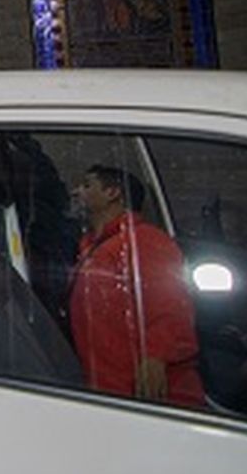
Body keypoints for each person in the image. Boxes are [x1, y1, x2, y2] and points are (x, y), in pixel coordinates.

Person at [69, 164, 205, 407]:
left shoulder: (143, 241)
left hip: (144, 392)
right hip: (108, 385)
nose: (77, 192)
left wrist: (156, 355)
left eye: (87, 185)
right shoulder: (94, 245)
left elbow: (170, 302)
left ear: (113, 193)